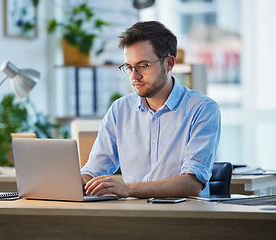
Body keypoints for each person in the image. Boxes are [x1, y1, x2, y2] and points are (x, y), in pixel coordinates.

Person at [81, 21, 221, 198]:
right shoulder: (120, 109)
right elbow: (94, 170)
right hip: (134, 216)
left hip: (185, 217)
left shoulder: (202, 109)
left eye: (143, 65)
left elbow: (192, 184)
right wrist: (79, 181)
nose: (134, 76)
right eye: (129, 67)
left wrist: (128, 189)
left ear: (169, 64)